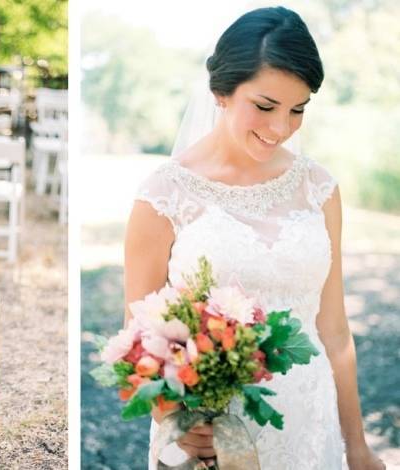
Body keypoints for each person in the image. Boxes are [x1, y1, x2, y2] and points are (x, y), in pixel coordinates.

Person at [124, 6, 386, 470]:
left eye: (298, 109)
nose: (281, 128)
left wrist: (357, 447)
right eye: (265, 107)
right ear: (220, 91)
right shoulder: (163, 196)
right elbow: (141, 337)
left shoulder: (319, 188)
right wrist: (178, 421)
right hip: (211, 434)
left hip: (310, 422)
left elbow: (336, 332)